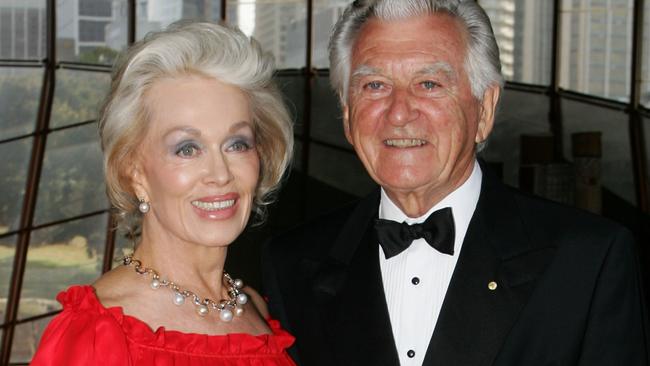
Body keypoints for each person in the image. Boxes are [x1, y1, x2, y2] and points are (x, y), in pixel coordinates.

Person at [262, 1, 648, 365]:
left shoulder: (589, 261)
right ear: (347, 116)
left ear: (485, 109)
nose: (399, 113)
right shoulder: (291, 265)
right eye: (375, 85)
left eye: (429, 84)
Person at [31, 21, 295, 365]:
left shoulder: (254, 308)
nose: (220, 174)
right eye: (187, 149)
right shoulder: (97, 332)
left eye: (237, 143)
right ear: (135, 171)